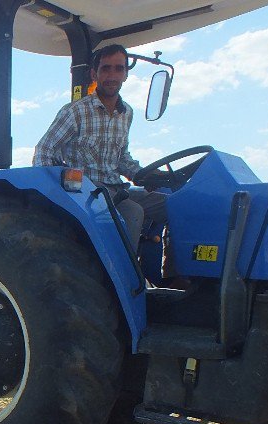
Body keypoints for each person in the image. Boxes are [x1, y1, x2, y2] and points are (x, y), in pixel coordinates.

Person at [33, 43, 167, 265]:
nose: (112, 75)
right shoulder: (76, 111)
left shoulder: (127, 113)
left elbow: (122, 158)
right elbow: (44, 150)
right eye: (105, 68)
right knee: (133, 213)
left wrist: (145, 175)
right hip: (89, 192)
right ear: (94, 74)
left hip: (117, 190)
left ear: (125, 74)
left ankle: (173, 274)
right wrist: (58, 192)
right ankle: (124, 282)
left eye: (118, 68)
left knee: (173, 202)